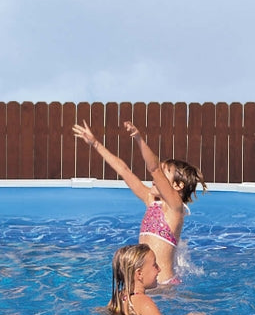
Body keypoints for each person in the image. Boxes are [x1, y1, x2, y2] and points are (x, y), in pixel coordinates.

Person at [73, 119, 207, 285]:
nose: (154, 178)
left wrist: (139, 139)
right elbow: (124, 170)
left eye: (162, 177)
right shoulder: (151, 200)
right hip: (144, 284)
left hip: (164, 287)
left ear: (177, 185)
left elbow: (154, 169)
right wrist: (95, 143)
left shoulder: (175, 207)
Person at [106, 244, 164, 315]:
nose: (159, 269)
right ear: (139, 273)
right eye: (155, 265)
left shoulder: (116, 299)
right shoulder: (145, 303)